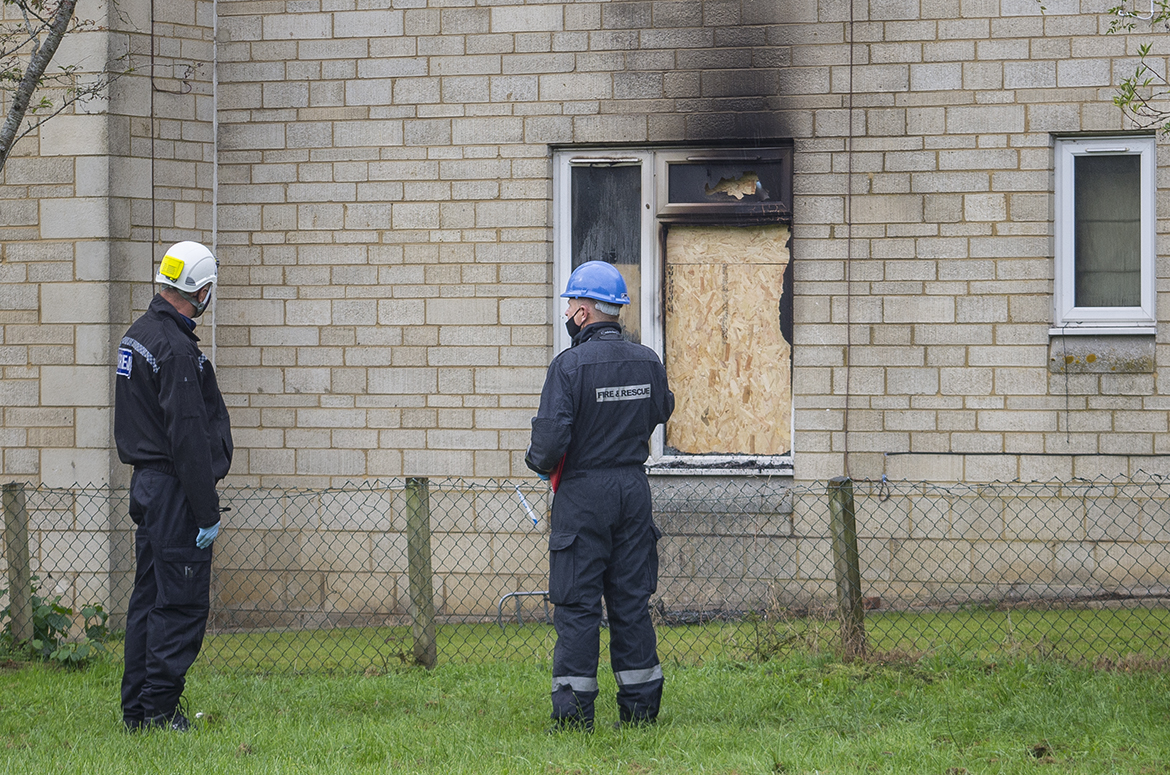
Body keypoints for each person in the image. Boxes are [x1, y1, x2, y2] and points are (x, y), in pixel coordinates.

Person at [526, 260, 675, 732]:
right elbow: (660, 410)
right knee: (632, 602)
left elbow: (548, 445)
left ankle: (574, 719)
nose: (568, 311)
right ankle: (640, 714)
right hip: (633, 491)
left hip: (583, 494)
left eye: (571, 303)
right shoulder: (648, 360)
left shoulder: (567, 366)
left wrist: (540, 464)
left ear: (585, 313)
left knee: (577, 606)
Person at [114, 240, 233, 732]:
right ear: (201, 290)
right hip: (176, 491)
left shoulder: (138, 335)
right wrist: (206, 512)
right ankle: (160, 713)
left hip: (149, 486)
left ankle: (137, 713)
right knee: (179, 604)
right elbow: (188, 436)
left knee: (148, 600)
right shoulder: (177, 349)